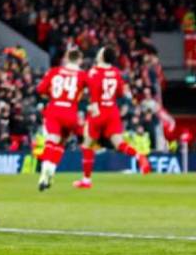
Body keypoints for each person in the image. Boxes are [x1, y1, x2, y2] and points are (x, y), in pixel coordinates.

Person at [76, 45, 152, 188]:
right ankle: (139, 156)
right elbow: (120, 93)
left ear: (102, 56)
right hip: (112, 111)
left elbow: (92, 92)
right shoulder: (116, 72)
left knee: (86, 144)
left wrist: (92, 106)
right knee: (119, 143)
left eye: (100, 52)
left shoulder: (94, 72)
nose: (98, 53)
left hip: (98, 111)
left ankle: (86, 180)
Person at [34, 48, 87, 192]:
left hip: (54, 109)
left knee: (51, 141)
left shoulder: (54, 71)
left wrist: (51, 95)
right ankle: (51, 172)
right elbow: (90, 91)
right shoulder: (82, 75)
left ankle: (44, 174)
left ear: (66, 58)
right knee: (61, 143)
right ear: (80, 60)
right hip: (70, 111)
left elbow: (40, 89)